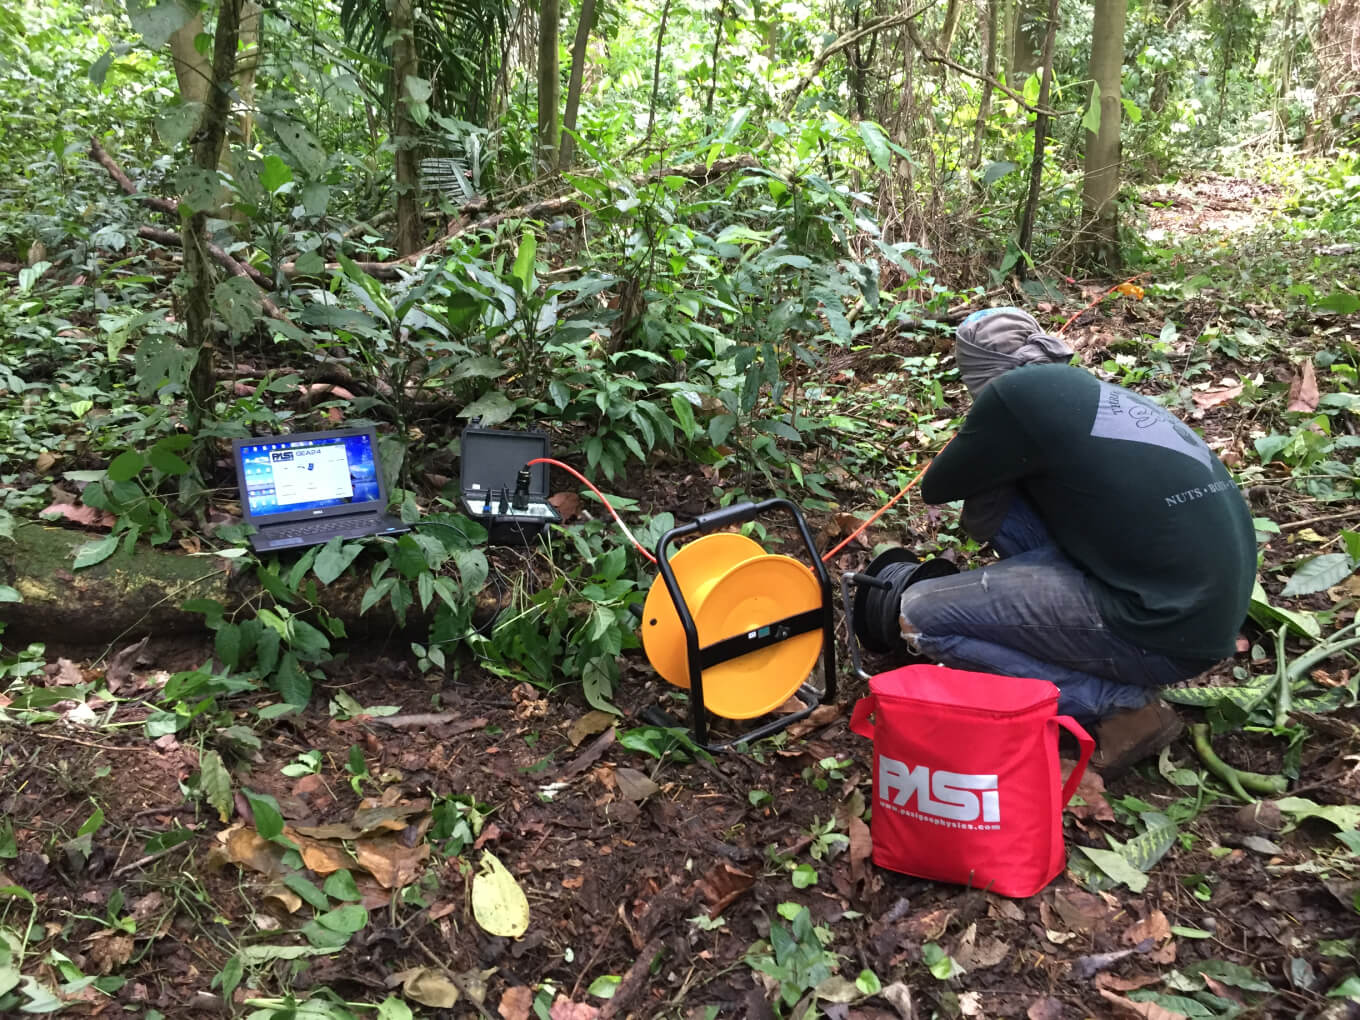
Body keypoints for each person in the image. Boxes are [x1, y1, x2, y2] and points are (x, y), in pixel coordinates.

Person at [898, 308, 1256, 773]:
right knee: (1010, 491)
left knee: (920, 614)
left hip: (1161, 631)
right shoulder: (1096, 395)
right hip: (1205, 619)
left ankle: (1120, 705)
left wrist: (979, 433)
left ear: (979, 372)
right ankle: (1075, 643)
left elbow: (938, 486)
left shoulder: (1012, 394)